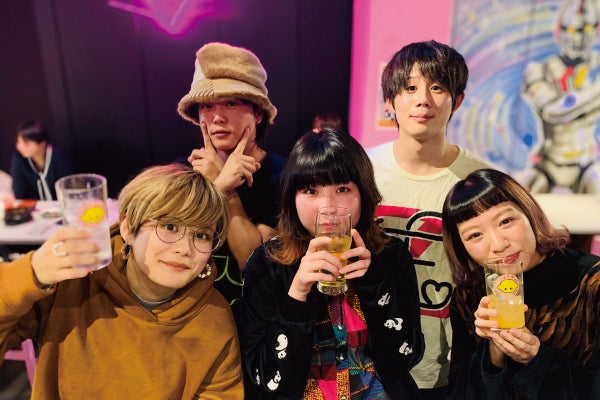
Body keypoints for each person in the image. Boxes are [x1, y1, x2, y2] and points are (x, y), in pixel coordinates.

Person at [0, 163, 244, 399]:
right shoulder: (74, 284)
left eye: (201, 235)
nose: (185, 249)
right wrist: (31, 274)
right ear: (128, 227)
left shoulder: (213, 317)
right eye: (170, 227)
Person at [240, 128, 424, 399]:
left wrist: (374, 282)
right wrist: (297, 295)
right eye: (311, 190)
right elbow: (265, 378)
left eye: (342, 189)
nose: (327, 207)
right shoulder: (267, 263)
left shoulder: (390, 254)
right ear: (292, 197)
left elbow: (407, 357)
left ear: (364, 193)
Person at [367, 40, 489, 398]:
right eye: (409, 88)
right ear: (389, 101)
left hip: (448, 361)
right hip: (367, 357)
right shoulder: (361, 171)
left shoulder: (481, 180)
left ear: (458, 101)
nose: (423, 100)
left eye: (437, 87)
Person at [441, 168, 600, 399]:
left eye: (505, 221)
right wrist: (493, 351)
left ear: (529, 213)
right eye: (475, 235)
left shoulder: (591, 282)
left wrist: (537, 358)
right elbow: (459, 393)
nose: (498, 245)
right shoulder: (470, 296)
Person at [177, 42, 286, 322]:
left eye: (232, 103)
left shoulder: (283, 176)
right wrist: (216, 185)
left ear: (258, 113)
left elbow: (252, 260)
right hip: (193, 318)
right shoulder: (182, 173)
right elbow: (173, 248)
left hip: (256, 322)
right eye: (207, 105)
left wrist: (227, 191)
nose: (217, 117)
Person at [519, 0, 600, 194]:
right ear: (559, 31)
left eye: (587, 29)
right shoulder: (538, 70)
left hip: (585, 165)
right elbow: (552, 111)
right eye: (572, 30)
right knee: (513, 200)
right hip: (547, 166)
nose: (579, 38)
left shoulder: (596, 68)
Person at [9, 120, 75, 200]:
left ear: (42, 144)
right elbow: (19, 194)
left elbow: (69, 188)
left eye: (26, 143)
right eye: (18, 141)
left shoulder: (58, 157)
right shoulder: (19, 159)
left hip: (60, 204)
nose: (20, 146)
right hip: (35, 206)